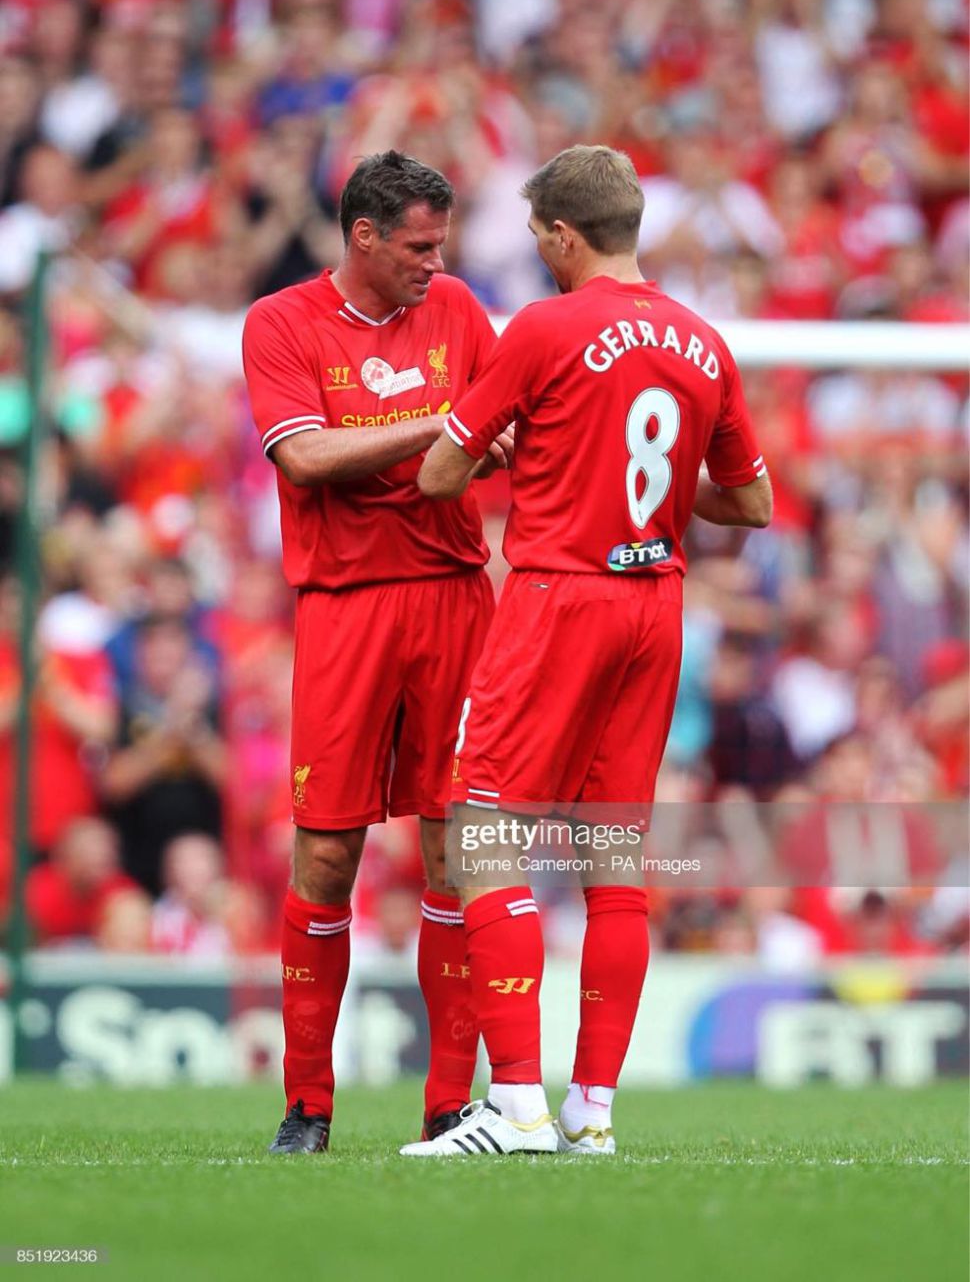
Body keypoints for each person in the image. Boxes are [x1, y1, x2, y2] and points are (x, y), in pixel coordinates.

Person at [404, 145, 772, 1157]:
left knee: (484, 835)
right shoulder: (703, 341)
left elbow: (440, 475)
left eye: (538, 237)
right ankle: (591, 1114)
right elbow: (753, 502)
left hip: (560, 596)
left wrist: (511, 449)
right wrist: (631, 484)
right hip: (656, 605)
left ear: (564, 235)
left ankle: (516, 1103)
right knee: (615, 863)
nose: (538, 253)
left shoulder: (546, 326)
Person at [242, 150, 512, 1154]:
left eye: (440, 246)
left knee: (454, 844)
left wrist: (497, 441)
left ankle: (449, 1105)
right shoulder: (280, 323)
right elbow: (303, 456)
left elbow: (501, 435)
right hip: (344, 608)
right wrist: (437, 426)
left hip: (452, 599)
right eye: (416, 248)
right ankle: (307, 1104)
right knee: (326, 850)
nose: (433, 266)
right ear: (362, 238)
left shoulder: (460, 315)